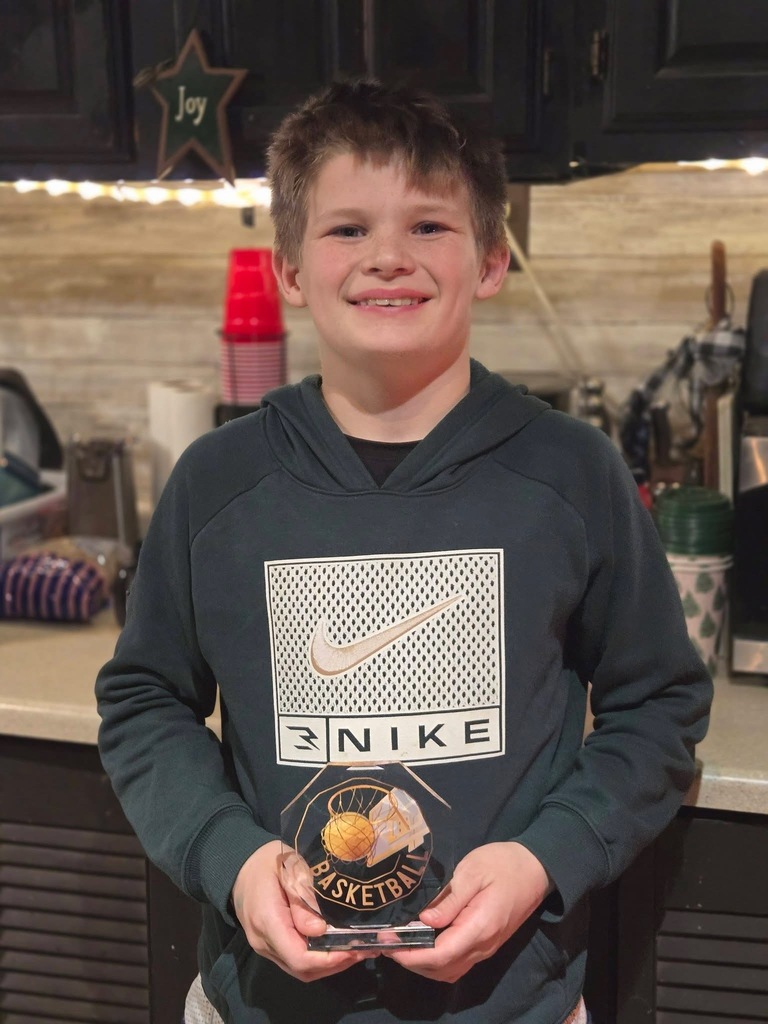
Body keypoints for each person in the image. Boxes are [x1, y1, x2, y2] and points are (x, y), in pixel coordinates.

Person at [95, 79, 713, 1024]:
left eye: (430, 226)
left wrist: (543, 856)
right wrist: (233, 858)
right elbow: (145, 704)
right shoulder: (216, 484)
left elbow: (658, 702)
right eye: (346, 229)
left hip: (512, 1006)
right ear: (290, 269)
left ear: (494, 258)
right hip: (260, 1007)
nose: (388, 256)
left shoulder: (571, 475)